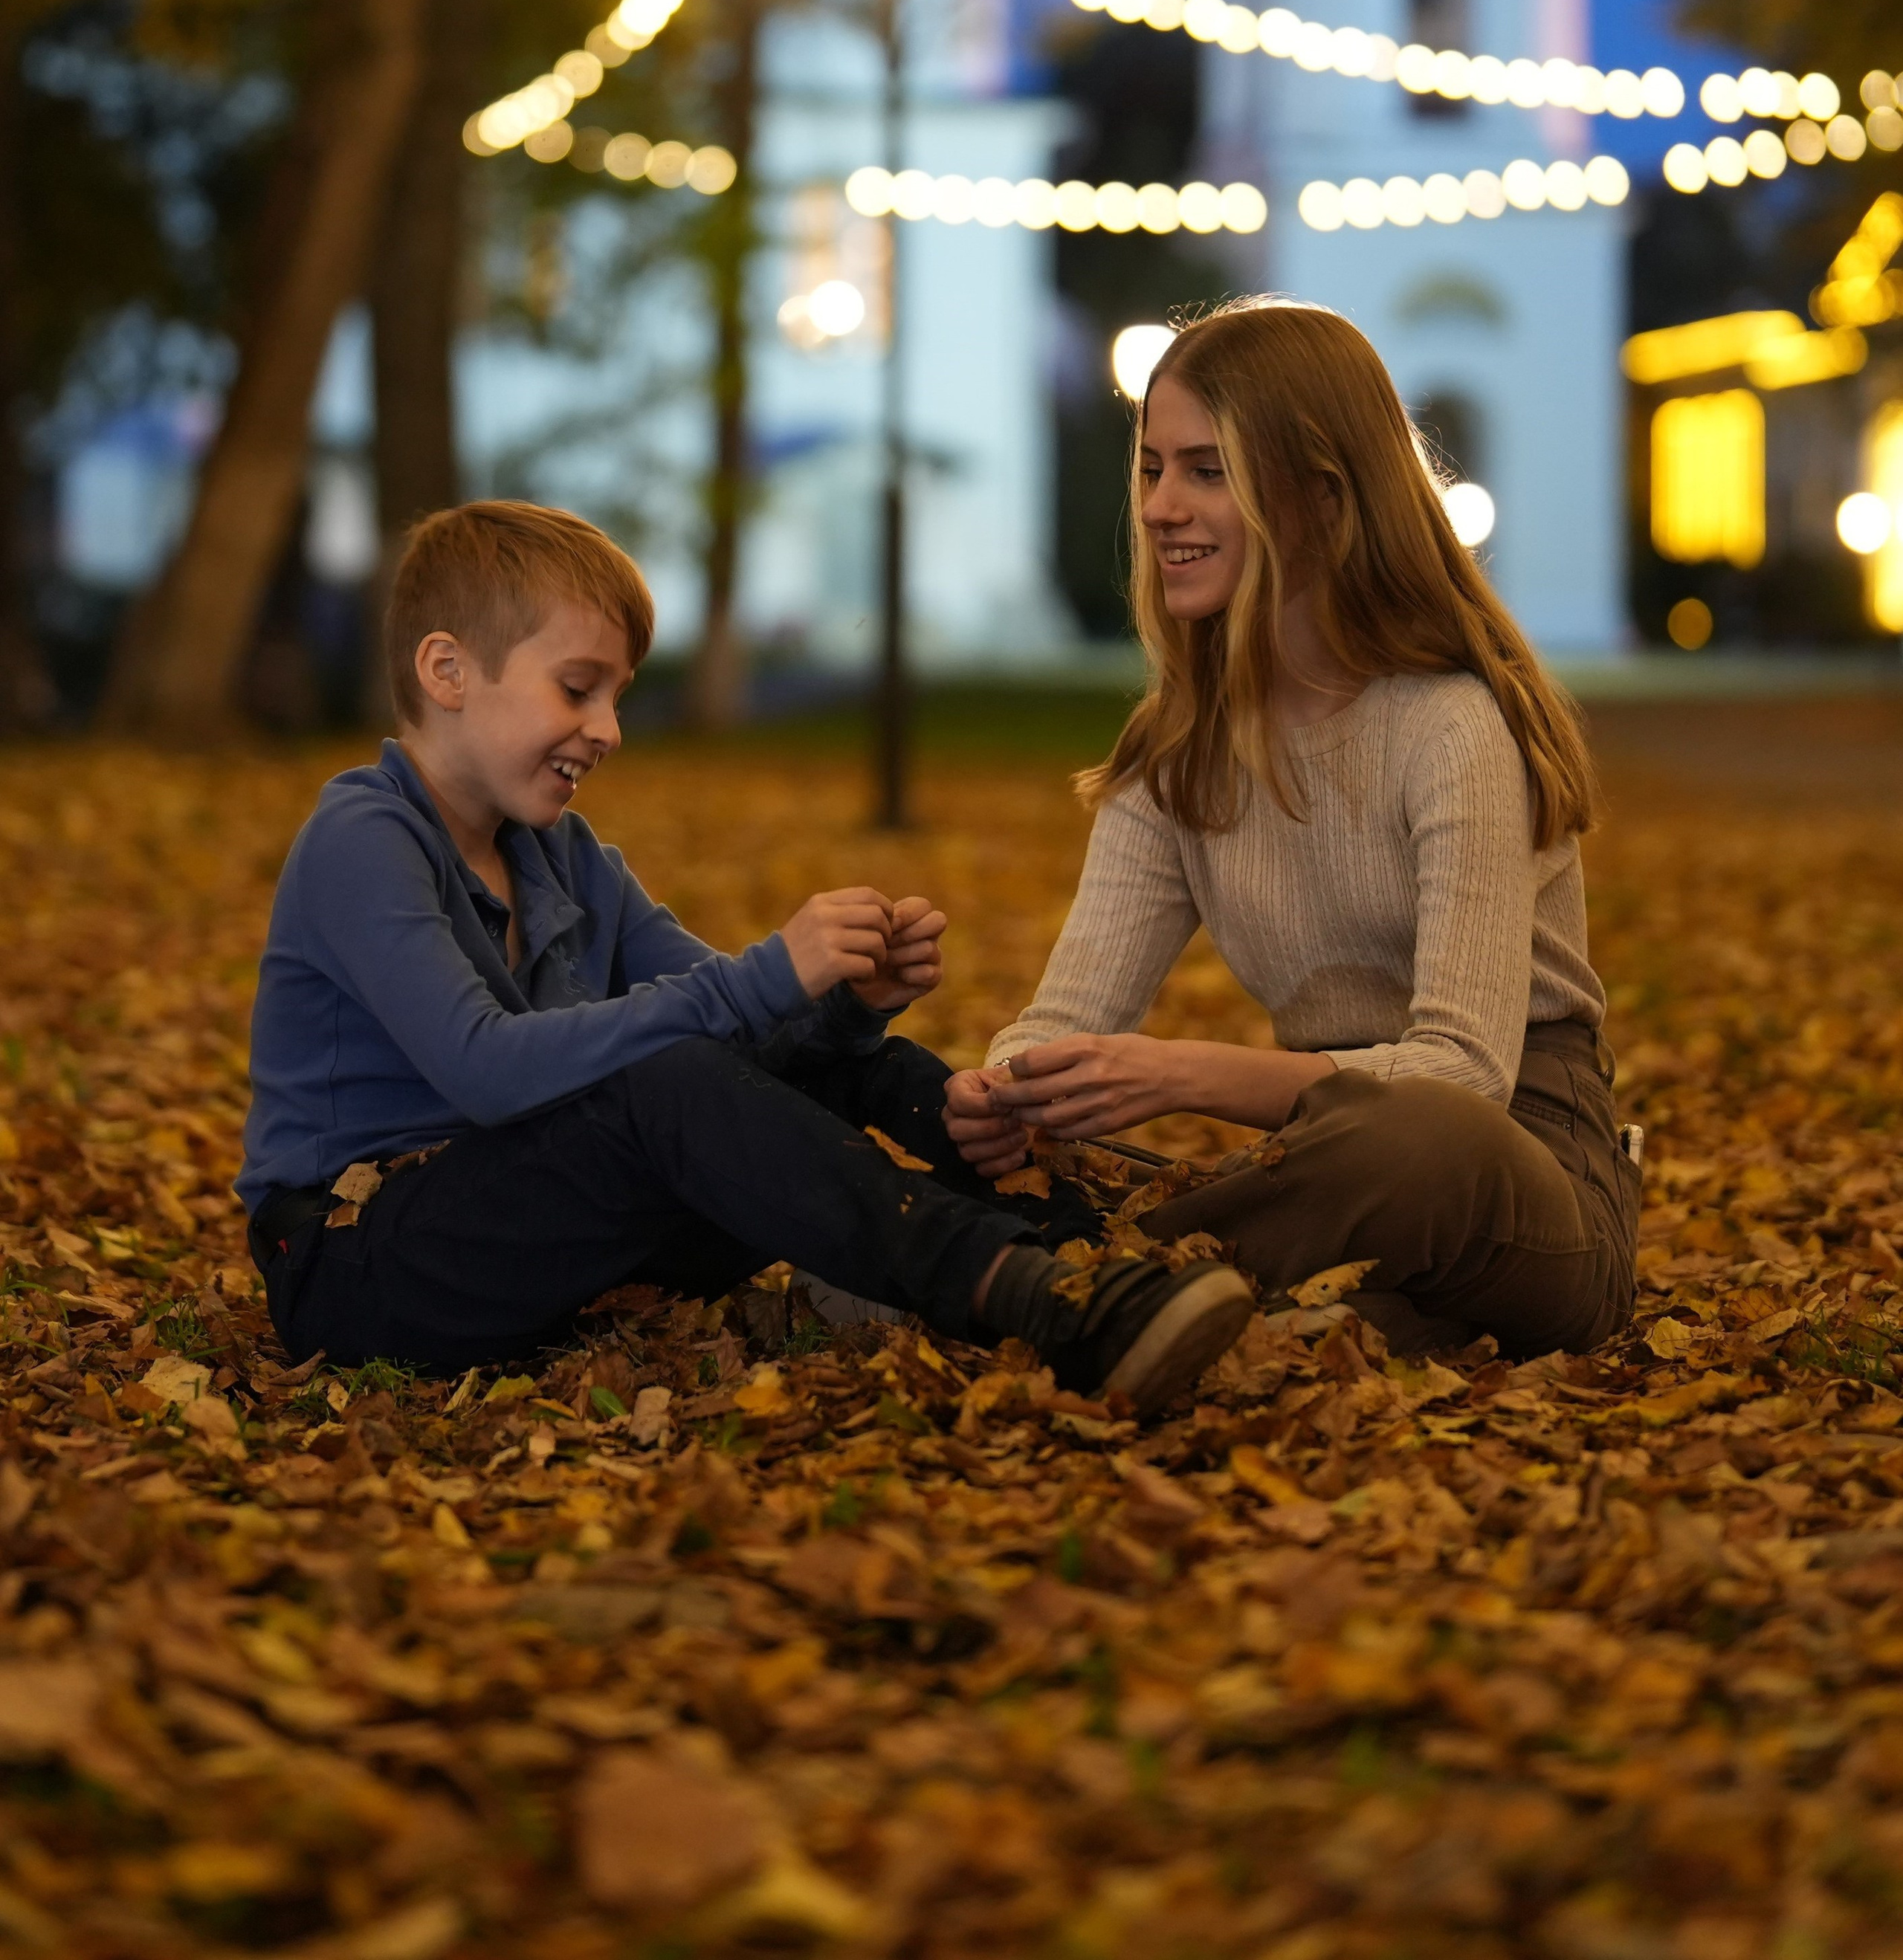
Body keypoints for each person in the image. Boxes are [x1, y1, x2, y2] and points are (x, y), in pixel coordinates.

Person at [239, 499, 1252, 1409]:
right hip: (356, 1265)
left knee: (832, 1057)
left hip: (535, 1233)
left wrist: (851, 1006)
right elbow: (487, 1067)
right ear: (447, 670)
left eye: (617, 696)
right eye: (579, 689)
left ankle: (1081, 1252)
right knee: (670, 1076)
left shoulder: (563, 855)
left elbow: (746, 1032)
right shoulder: (363, 839)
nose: (610, 730)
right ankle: (1027, 1296)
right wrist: (771, 971)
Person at [942, 301, 1640, 1361]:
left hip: (1515, 1177)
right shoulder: (1179, 747)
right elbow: (1065, 1014)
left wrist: (1178, 1074)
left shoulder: (1452, 726)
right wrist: (1012, 1088)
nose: (1162, 506)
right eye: (1152, 469)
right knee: (1314, 1332)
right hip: (1320, 1171)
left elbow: (1463, 1079)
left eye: (1208, 471)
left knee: (1410, 1137)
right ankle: (1155, 1305)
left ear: (1322, 496)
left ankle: (1032, 1280)